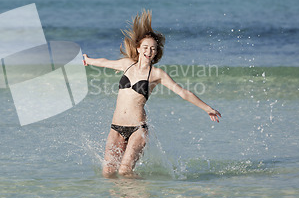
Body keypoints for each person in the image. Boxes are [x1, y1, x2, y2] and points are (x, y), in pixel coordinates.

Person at [83, 10, 221, 178]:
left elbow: (183, 92)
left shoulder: (157, 74)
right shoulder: (126, 64)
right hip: (116, 127)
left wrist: (207, 108)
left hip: (137, 129)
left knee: (125, 171)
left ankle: (143, 196)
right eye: (146, 47)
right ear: (139, 48)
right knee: (108, 173)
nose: (149, 51)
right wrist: (88, 61)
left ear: (156, 53)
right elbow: (105, 62)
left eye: (153, 49)